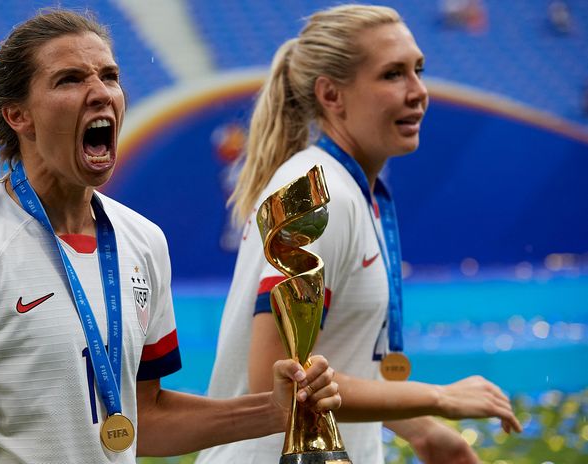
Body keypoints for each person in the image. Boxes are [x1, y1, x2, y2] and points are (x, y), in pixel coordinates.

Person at [0, 9, 341, 463]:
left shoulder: (144, 241)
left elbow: (146, 420)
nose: (100, 91)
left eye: (110, 76)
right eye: (70, 79)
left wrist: (271, 411)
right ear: (19, 115)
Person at [196, 5, 522, 464]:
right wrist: (439, 398)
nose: (419, 92)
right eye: (393, 75)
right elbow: (280, 379)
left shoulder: (346, 189)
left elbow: (336, 363)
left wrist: (424, 431)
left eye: (418, 70)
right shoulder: (312, 194)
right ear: (332, 95)